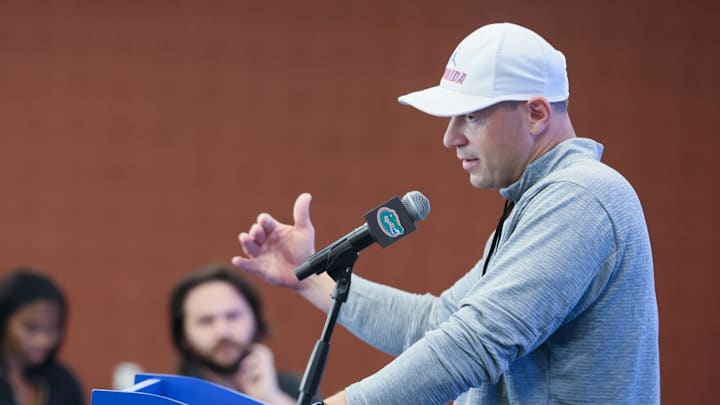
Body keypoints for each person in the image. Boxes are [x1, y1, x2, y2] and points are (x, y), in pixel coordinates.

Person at [232, 22, 659, 404]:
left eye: (470, 116)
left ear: (536, 114)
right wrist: (311, 278)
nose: (450, 137)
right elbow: (437, 322)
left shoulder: (580, 197)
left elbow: (471, 344)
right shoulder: (540, 199)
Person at [168, 263, 305, 405]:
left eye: (233, 316)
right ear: (183, 335)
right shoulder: (166, 396)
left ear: (256, 321)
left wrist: (270, 398)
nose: (223, 332)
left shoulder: (295, 389)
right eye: (206, 321)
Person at [0, 267, 85, 405]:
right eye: (31, 328)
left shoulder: (64, 383)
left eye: (52, 328)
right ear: (4, 320)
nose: (43, 341)